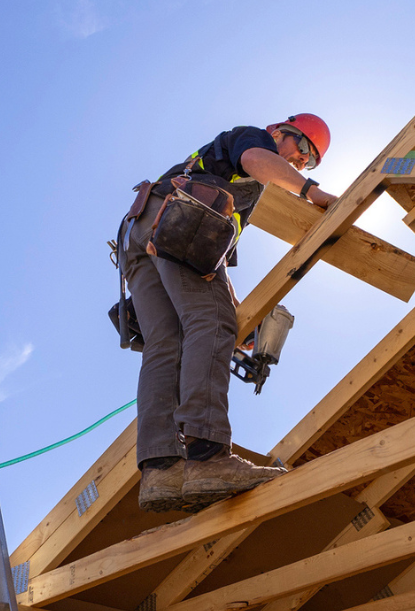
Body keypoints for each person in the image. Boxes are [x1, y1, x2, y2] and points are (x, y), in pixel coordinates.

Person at [120, 114, 338, 513]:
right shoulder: (254, 141)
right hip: (177, 220)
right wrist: (312, 192)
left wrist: (237, 315)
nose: (301, 162)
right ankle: (208, 457)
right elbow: (255, 158)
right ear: (279, 132)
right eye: (303, 149)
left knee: (166, 345)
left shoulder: (235, 192)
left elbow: (213, 263)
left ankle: (161, 469)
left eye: (309, 163)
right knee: (209, 322)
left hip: (141, 231)